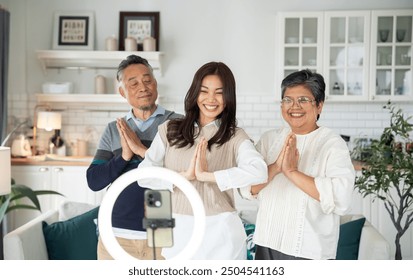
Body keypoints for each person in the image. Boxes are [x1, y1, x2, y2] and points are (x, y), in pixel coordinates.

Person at [138, 61, 268, 260]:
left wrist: (210, 176)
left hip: (221, 233)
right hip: (176, 229)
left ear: (228, 97)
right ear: (195, 93)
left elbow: (259, 171)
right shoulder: (170, 129)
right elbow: (143, 175)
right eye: (204, 91)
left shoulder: (235, 135)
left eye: (219, 92)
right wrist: (184, 177)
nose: (211, 99)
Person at [240, 69, 355, 260]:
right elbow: (247, 188)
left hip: (309, 251)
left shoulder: (333, 144)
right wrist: (276, 167)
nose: (294, 106)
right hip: (266, 245)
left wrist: (292, 172)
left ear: (319, 106)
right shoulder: (270, 139)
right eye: (288, 100)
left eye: (303, 100)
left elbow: (341, 198)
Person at [86, 55, 182, 260]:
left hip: (160, 233)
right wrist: (123, 157)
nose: (143, 87)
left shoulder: (178, 124)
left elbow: (182, 175)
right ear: (122, 92)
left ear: (155, 84)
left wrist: (139, 150)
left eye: (147, 80)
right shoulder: (114, 130)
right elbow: (94, 180)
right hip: (115, 232)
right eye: (134, 83)